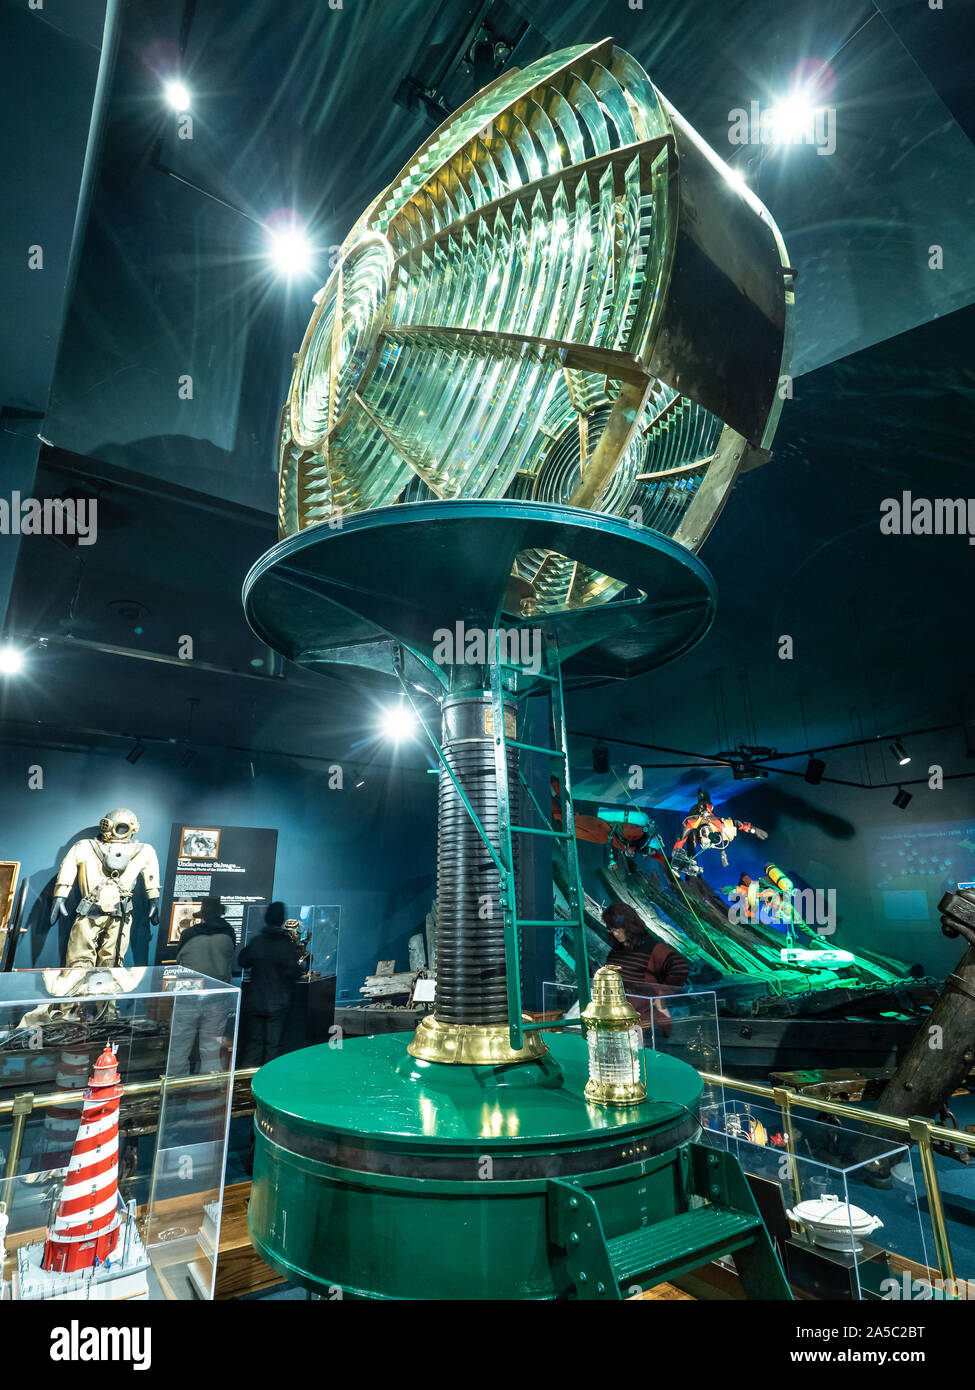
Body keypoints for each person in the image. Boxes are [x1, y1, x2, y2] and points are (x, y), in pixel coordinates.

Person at [170, 898, 236, 1075]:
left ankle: (174, 1087)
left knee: (179, 1047)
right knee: (211, 1049)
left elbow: (179, 961)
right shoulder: (228, 935)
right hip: (217, 999)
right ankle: (207, 1091)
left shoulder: (189, 934)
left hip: (188, 997)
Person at [601, 901, 690, 1030]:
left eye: (617, 929)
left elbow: (680, 968)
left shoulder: (652, 948)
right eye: (611, 929)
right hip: (619, 1014)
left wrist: (661, 996)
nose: (615, 933)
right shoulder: (617, 950)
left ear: (629, 926)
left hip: (643, 1019)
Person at [237, 902, 302, 1067]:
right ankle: (268, 1086)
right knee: (273, 1046)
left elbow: (242, 961)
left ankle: (244, 1085)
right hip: (277, 1002)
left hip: (255, 1001)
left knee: (254, 1045)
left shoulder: (257, 941)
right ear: (281, 919)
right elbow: (293, 972)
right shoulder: (285, 945)